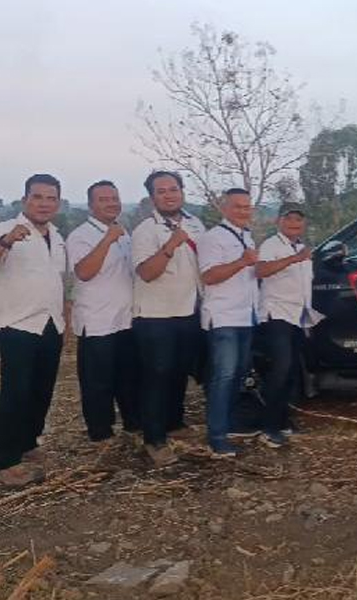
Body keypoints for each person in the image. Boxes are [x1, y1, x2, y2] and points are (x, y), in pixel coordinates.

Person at [0, 174, 66, 487]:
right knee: (16, 392)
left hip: (51, 323)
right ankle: (7, 460)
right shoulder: (3, 229)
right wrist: (6, 242)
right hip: (17, 325)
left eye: (51, 198)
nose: (44, 204)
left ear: (58, 202)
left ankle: (28, 443)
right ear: (25, 199)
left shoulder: (57, 235)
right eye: (37, 197)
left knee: (42, 390)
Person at [131, 171, 206, 467]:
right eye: (161, 191)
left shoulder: (195, 223)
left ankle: (174, 423)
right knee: (156, 377)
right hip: (155, 316)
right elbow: (146, 273)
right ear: (152, 198)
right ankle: (154, 439)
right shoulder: (145, 231)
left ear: (182, 192)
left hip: (188, 310)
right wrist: (170, 245)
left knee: (179, 373)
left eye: (173, 189)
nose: (169, 195)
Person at [67, 180, 140, 444]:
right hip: (97, 320)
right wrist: (107, 239)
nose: (111, 204)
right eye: (103, 199)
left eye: (114, 198)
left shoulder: (124, 234)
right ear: (91, 205)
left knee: (129, 378)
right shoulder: (81, 236)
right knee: (98, 382)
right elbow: (84, 272)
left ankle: (134, 425)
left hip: (126, 318)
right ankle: (101, 433)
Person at [197, 188, 259, 457]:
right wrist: (242, 261)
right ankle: (217, 435)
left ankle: (229, 423)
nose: (243, 211)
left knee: (239, 374)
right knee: (223, 376)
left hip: (246, 315)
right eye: (237, 206)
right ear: (224, 209)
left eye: (247, 206)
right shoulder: (213, 238)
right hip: (223, 317)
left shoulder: (247, 236)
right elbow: (209, 276)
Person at [256, 202, 323, 448]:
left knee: (292, 371)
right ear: (279, 222)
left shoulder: (303, 249)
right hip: (277, 315)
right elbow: (261, 270)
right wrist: (294, 258)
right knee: (280, 370)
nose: (294, 223)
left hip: (297, 317)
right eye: (289, 219)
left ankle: (283, 421)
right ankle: (268, 427)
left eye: (298, 220)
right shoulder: (271, 245)